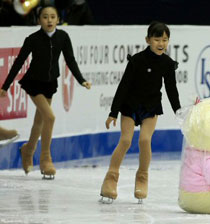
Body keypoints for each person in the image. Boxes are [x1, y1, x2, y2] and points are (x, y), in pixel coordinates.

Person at [0, 5, 91, 179]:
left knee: (40, 121)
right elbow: (19, 62)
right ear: (39, 20)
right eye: (45, 17)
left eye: (52, 17)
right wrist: (6, 85)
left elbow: (70, 60)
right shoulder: (32, 39)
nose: (49, 20)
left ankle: (28, 150)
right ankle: (45, 158)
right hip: (33, 82)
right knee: (50, 117)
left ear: (58, 19)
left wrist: (81, 80)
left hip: (50, 83)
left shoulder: (63, 37)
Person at [99, 21, 181, 203]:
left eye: (165, 40)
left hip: (151, 106)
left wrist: (178, 111)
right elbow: (123, 86)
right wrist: (113, 112)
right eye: (157, 39)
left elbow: (171, 89)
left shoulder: (167, 64)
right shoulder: (137, 60)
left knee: (145, 140)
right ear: (148, 40)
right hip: (130, 105)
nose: (161, 44)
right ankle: (110, 179)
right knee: (126, 140)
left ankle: (142, 178)